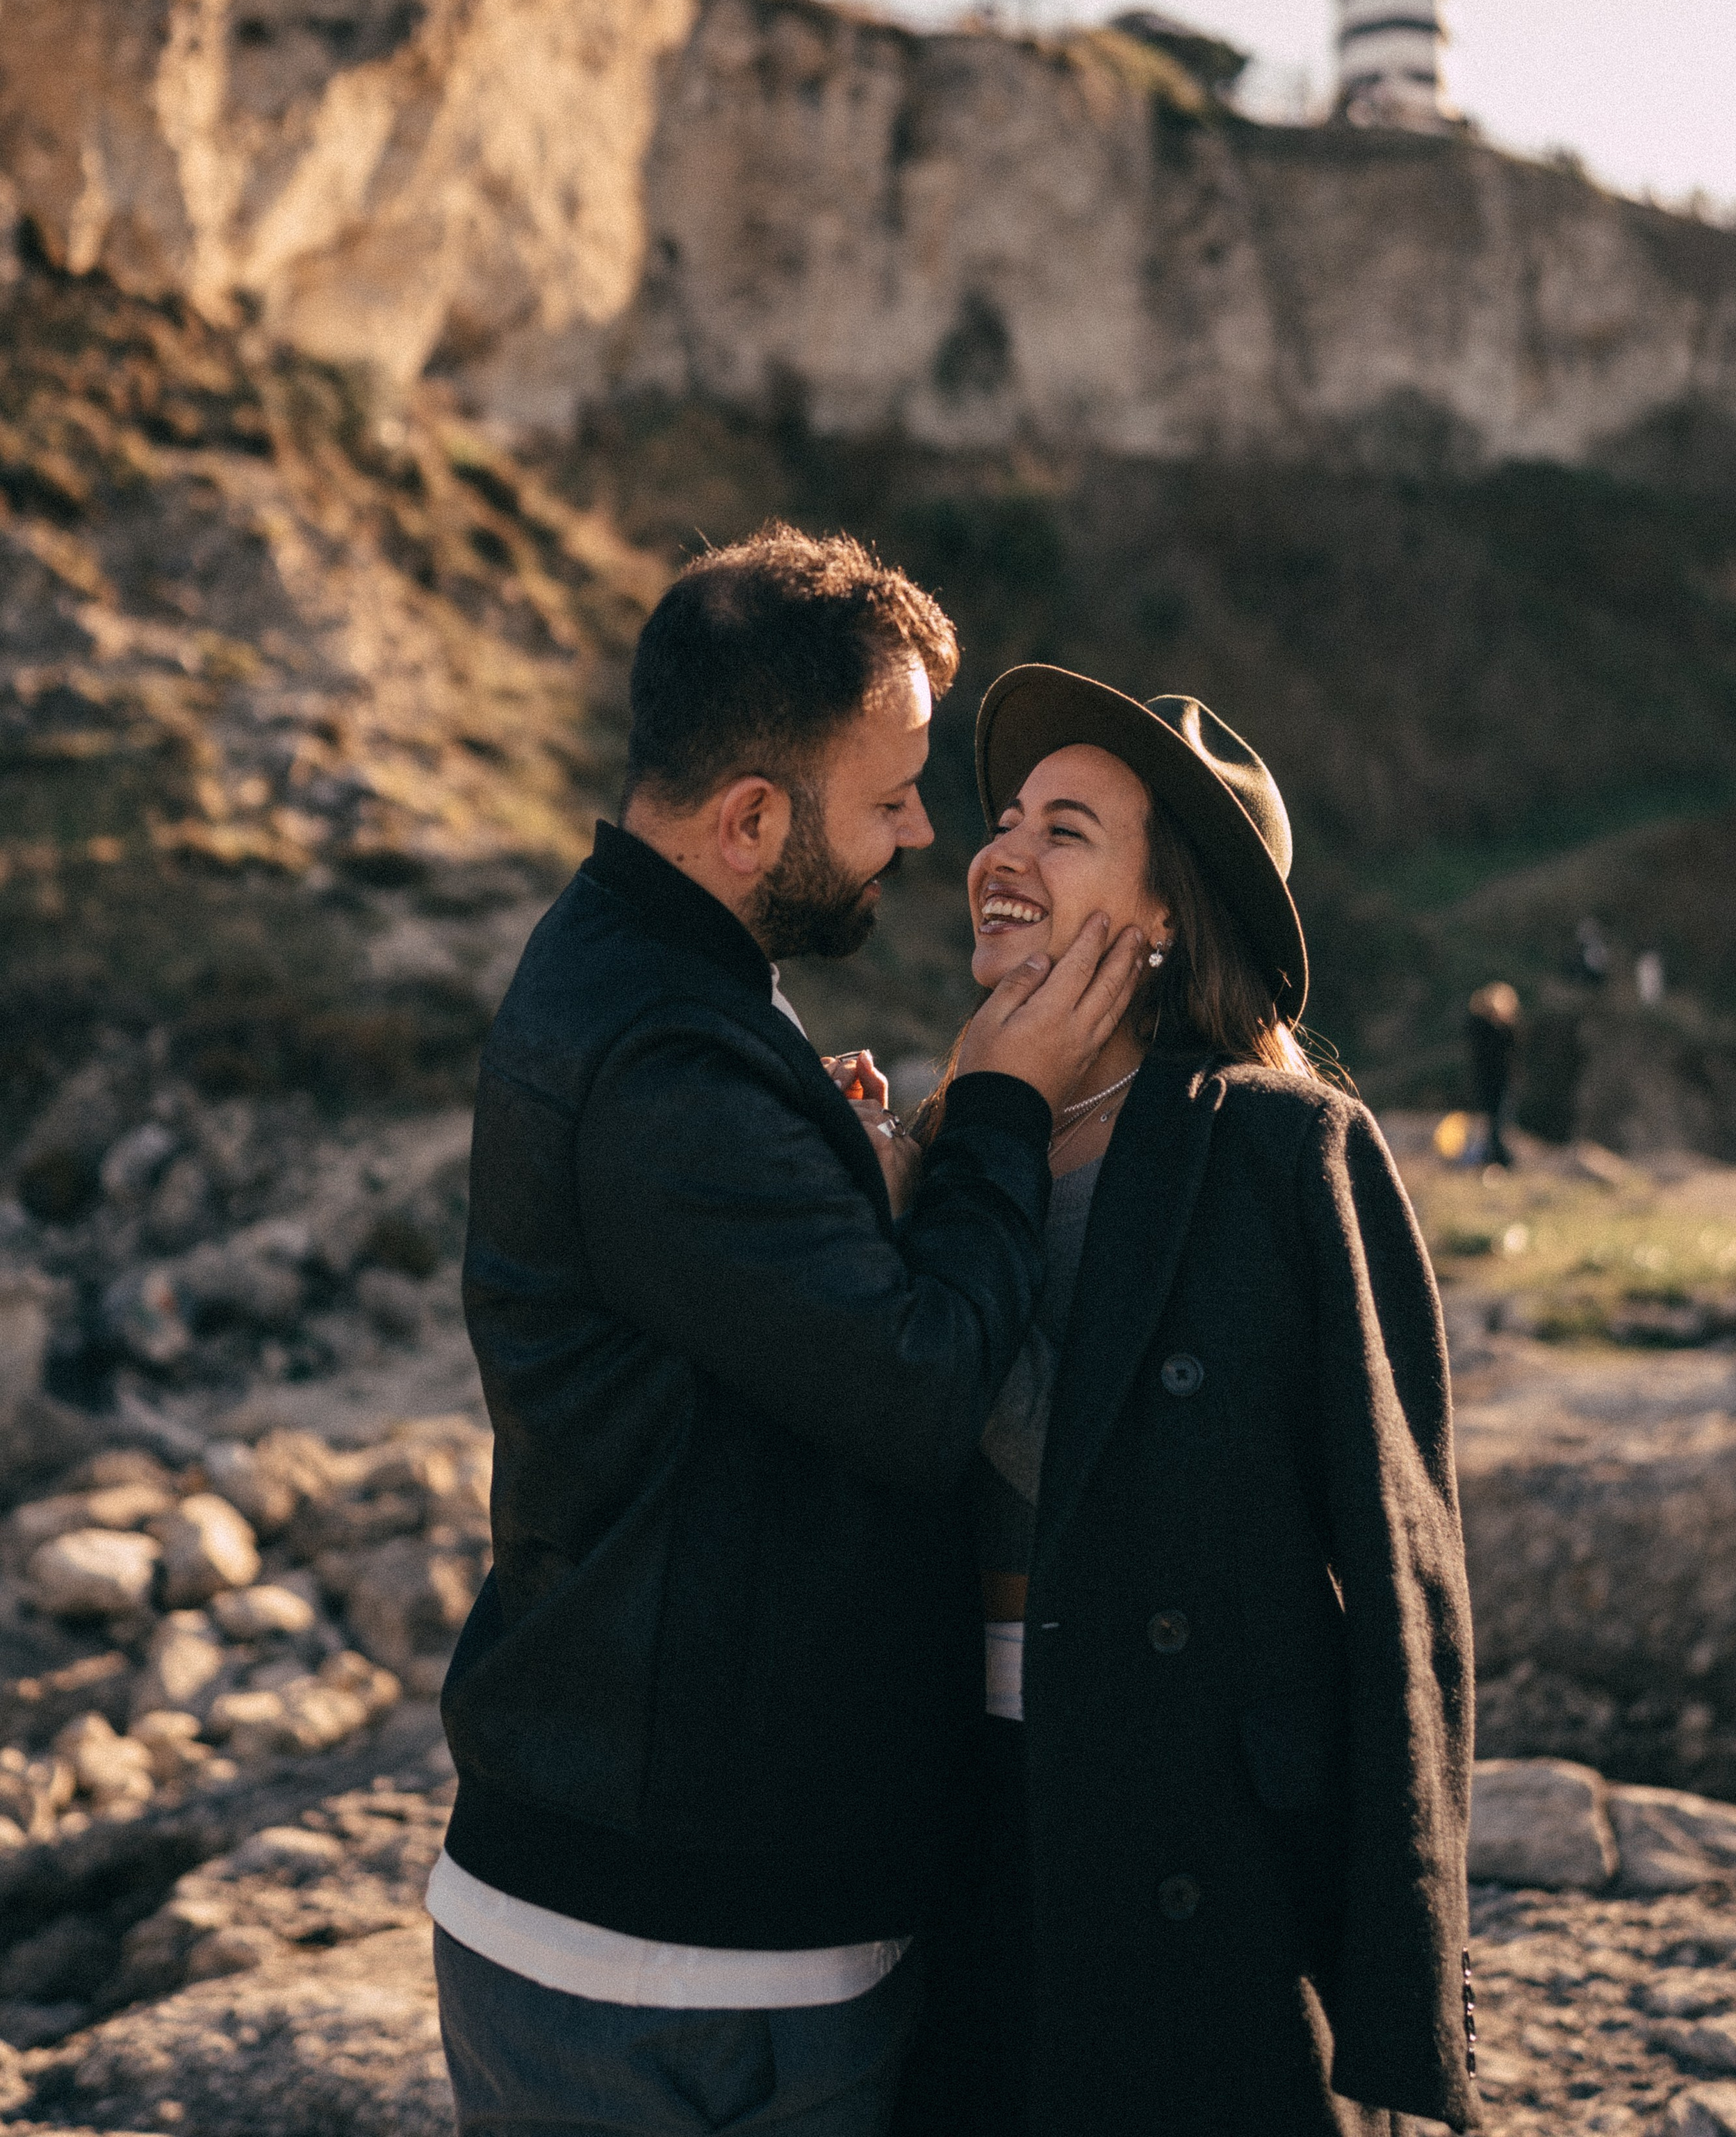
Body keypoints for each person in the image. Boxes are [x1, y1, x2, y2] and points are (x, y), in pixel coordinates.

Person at [428, 532, 1145, 2137]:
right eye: (888, 792)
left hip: (673, 1916)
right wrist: (1001, 1108)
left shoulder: (660, 983)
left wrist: (838, 1176)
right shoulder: (664, 1054)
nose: (921, 830)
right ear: (751, 818)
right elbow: (915, 1385)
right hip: (662, 1961)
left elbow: (727, 1320)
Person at [864, 664, 1477, 2137]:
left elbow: (1404, 1583)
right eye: (1002, 818)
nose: (997, 853)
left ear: (1158, 917)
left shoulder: (1283, 1150)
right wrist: (875, 1214)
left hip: (1201, 1850)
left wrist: (1399, 2011)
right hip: (959, 1818)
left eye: (1062, 830)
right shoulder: (957, 1131)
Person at [1466, 981, 1521, 1167]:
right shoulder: (1482, 1027)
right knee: (1491, 1122)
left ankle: (1500, 1157)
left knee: (1501, 1121)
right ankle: (1494, 1157)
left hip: (1502, 1081)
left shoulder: (1505, 1028)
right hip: (1486, 1080)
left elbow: (1512, 1045)